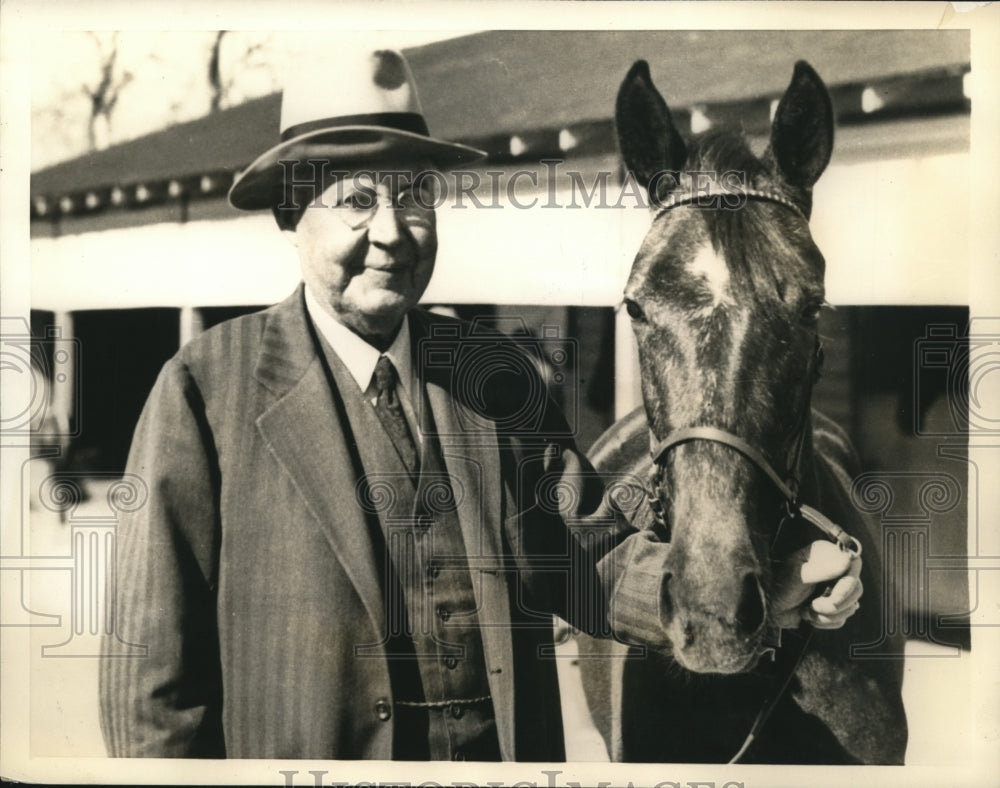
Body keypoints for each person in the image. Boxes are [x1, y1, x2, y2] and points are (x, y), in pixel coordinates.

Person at [99, 45, 863, 761]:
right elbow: (152, 691)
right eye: (357, 201)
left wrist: (779, 587)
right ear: (292, 218)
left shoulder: (490, 374)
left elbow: (586, 563)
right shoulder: (203, 393)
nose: (393, 231)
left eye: (415, 195)